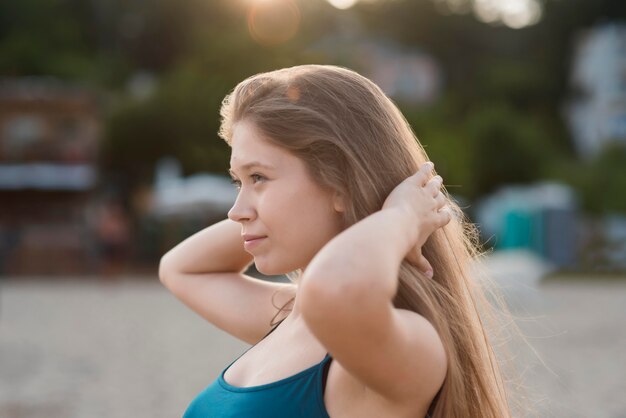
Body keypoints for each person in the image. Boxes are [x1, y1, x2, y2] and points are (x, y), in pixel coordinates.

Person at [159, 65, 516, 417]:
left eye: (258, 177)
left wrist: (400, 215)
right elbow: (181, 269)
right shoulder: (291, 319)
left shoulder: (406, 344)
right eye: (239, 182)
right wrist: (382, 212)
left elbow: (333, 289)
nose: (236, 211)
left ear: (340, 183)